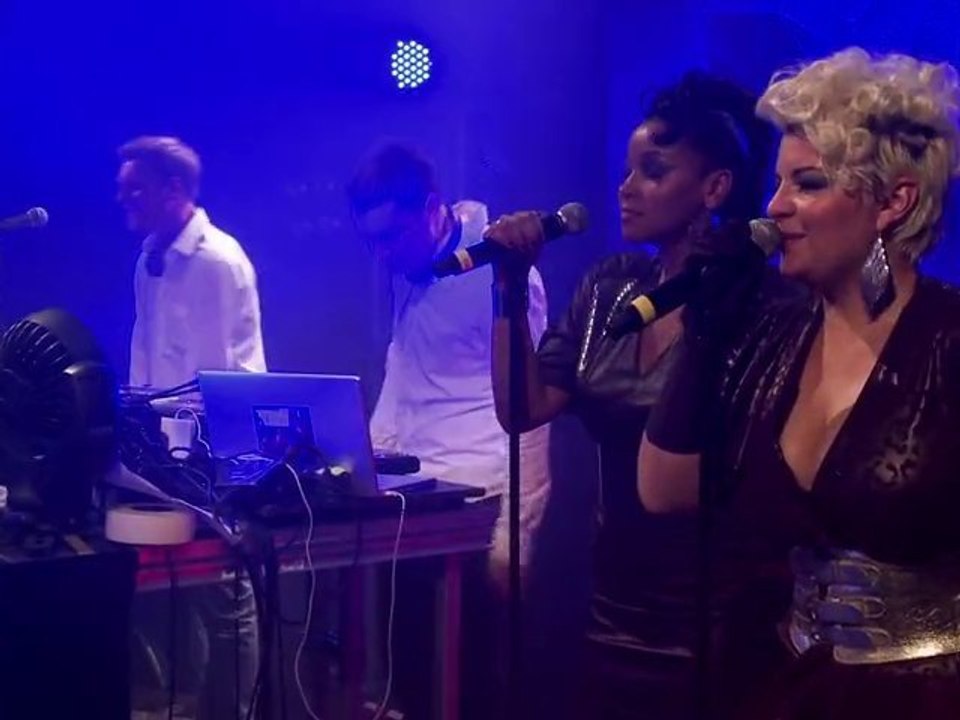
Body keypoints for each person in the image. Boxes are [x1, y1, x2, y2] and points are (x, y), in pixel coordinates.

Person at [638, 48, 960, 719]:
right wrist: (702, 340)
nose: (775, 207)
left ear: (892, 202)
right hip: (783, 686)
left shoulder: (948, 340)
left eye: (807, 184)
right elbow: (663, 491)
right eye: (778, 183)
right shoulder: (776, 335)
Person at [483, 72, 778, 719]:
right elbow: (522, 409)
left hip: (722, 611)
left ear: (715, 188)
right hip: (613, 600)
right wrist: (509, 286)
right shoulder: (610, 289)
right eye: (626, 171)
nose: (626, 187)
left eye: (653, 171)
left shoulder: (759, 304)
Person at [347, 141, 551, 719]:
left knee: (470, 682)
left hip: (476, 507)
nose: (384, 254)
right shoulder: (410, 270)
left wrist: (515, 538)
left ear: (433, 208)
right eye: (372, 242)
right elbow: (404, 372)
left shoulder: (501, 272)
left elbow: (531, 414)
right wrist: (362, 462)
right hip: (413, 501)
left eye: (393, 237)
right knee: (407, 671)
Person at [118, 135, 263, 719]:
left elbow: (216, 379)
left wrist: (188, 463)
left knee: (225, 593)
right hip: (164, 451)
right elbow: (147, 360)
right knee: (180, 590)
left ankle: (233, 712)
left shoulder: (215, 261)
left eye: (136, 189)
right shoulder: (149, 259)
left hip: (213, 451)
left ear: (174, 190)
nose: (124, 199)